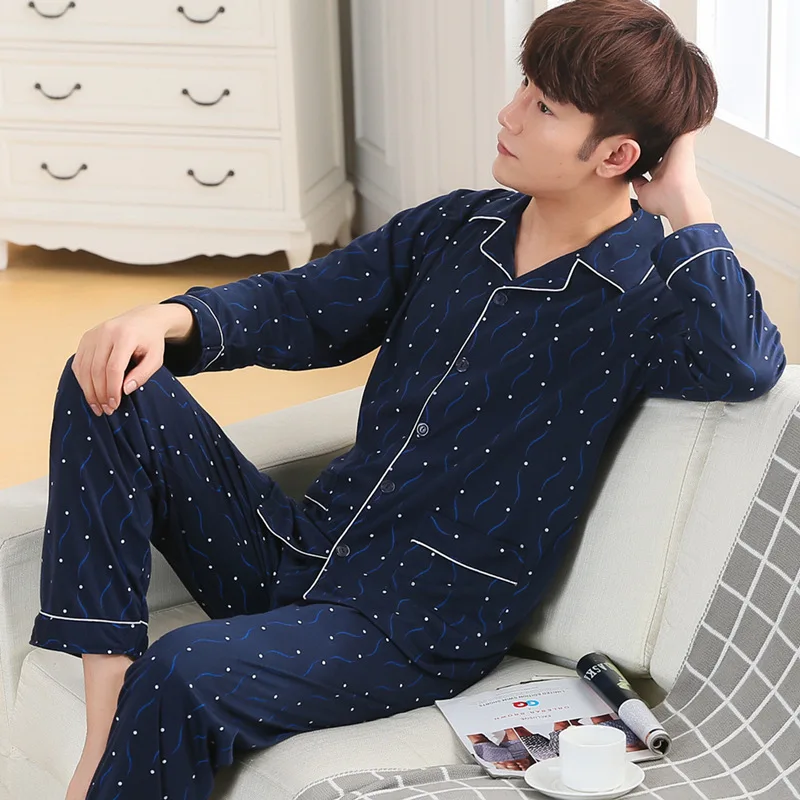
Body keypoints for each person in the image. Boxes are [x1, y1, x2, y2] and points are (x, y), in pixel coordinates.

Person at [29, 1, 785, 798]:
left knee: (185, 668)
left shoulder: (642, 300)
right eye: (523, 87)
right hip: (299, 548)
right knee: (104, 373)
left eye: (544, 107)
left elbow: (746, 361)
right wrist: (166, 318)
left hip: (407, 627)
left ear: (616, 154)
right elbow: (305, 306)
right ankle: (105, 725)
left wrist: (688, 199)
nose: (509, 114)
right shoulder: (456, 226)